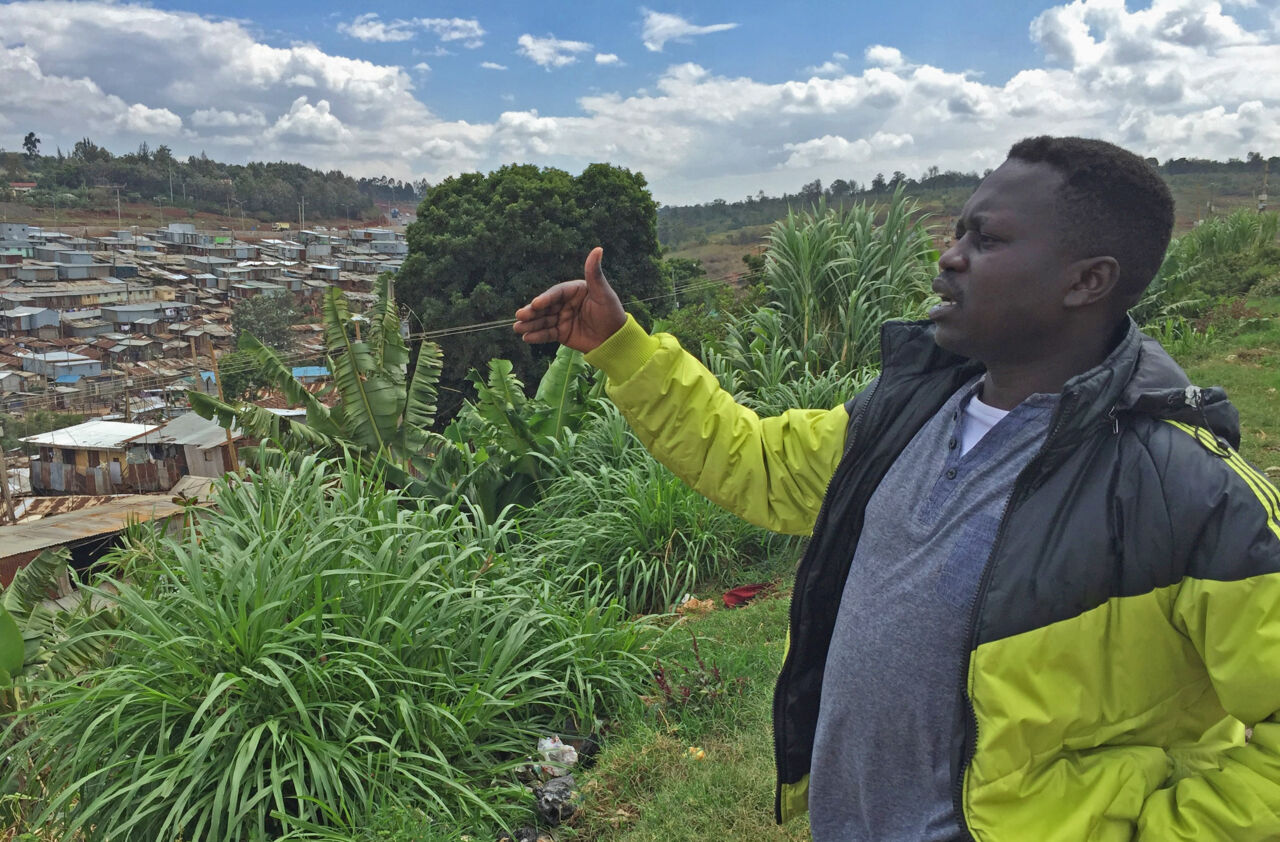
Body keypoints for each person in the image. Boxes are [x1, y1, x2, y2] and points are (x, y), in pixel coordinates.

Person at [513, 136, 1280, 841]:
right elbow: (753, 462)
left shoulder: (1188, 495)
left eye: (989, 239)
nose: (950, 258)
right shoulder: (905, 414)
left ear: (1087, 281)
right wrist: (622, 347)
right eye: (958, 232)